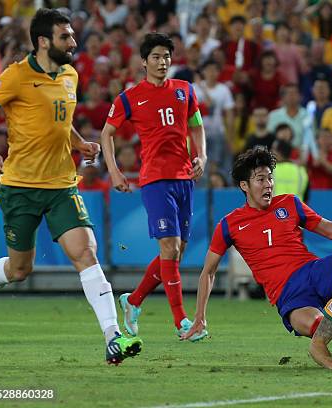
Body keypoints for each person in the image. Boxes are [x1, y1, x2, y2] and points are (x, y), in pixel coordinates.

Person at [0, 8, 142, 365]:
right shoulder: (16, 76)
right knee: (19, 270)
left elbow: (61, 120)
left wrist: (77, 142)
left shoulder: (70, 75)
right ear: (43, 41)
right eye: (65, 36)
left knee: (85, 252)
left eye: (72, 35)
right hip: (21, 187)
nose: (73, 42)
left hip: (61, 185)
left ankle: (113, 336)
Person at [182, 146, 332, 340]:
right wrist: (200, 317)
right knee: (317, 327)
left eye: (270, 178)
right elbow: (208, 273)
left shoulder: (289, 203)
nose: (268, 184)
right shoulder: (229, 224)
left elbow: (330, 230)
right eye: (260, 179)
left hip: (313, 271)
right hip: (288, 294)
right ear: (244, 185)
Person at [100, 33, 208, 341]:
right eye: (157, 57)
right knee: (170, 248)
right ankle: (181, 322)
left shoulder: (185, 91)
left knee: (176, 251)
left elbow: (196, 125)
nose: (163, 62)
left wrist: (201, 155)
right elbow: (107, 133)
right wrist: (114, 171)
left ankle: (133, 301)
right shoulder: (130, 97)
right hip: (154, 179)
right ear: (144, 61)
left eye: (167, 57)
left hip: (184, 178)